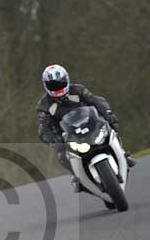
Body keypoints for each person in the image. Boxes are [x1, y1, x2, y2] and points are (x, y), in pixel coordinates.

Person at [36, 64, 136, 192]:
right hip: (68, 134)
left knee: (111, 129)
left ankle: (122, 153)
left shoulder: (78, 90)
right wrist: (54, 140)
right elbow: (43, 127)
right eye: (53, 86)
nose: (58, 88)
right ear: (46, 86)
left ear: (67, 80)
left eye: (60, 83)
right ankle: (76, 176)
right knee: (61, 155)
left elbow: (96, 101)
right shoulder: (43, 105)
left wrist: (108, 114)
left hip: (90, 124)